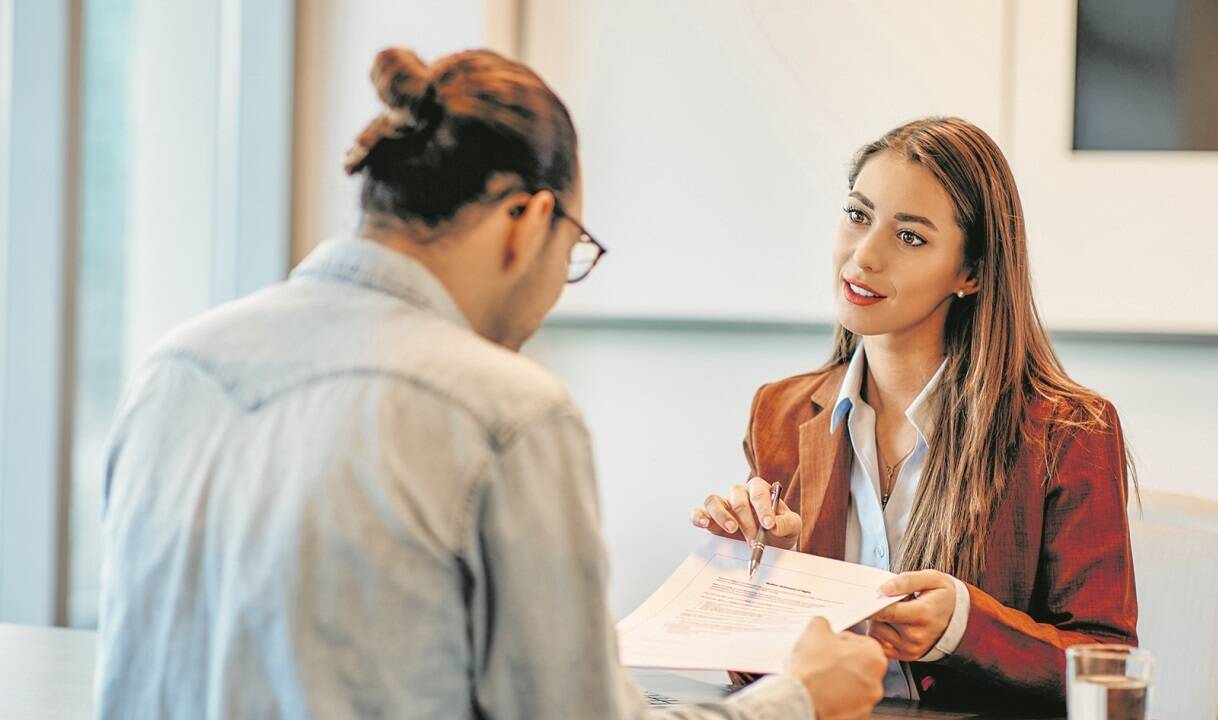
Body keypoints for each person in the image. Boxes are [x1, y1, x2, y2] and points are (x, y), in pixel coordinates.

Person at [94, 47, 888, 719]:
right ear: (526, 219)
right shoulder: (504, 412)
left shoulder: (174, 370)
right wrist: (801, 699)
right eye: (573, 248)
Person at [691, 117, 1138, 715]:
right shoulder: (781, 411)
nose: (864, 255)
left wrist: (965, 629)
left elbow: (1109, 670)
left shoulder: (1067, 431)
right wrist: (757, 579)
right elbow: (760, 682)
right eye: (857, 216)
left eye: (910, 238)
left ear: (971, 273)